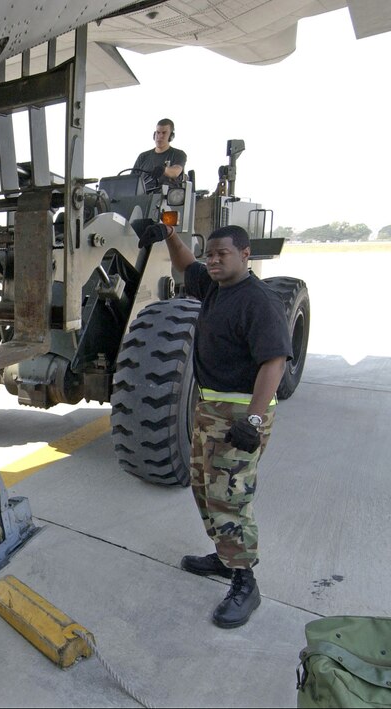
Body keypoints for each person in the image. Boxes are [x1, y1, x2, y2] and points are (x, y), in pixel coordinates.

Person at [137, 221, 291, 628]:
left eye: (223, 253)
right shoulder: (214, 287)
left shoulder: (259, 301)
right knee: (205, 489)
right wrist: (167, 235)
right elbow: (186, 267)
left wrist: (253, 421)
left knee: (230, 498)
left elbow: (274, 361)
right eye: (211, 253)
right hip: (209, 409)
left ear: (245, 255)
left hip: (241, 415)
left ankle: (245, 582)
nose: (214, 260)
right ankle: (226, 557)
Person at [132, 119, 187, 193]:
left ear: (171, 136)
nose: (160, 136)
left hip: (166, 198)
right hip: (143, 198)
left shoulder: (178, 154)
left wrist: (164, 170)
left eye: (164, 133)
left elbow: (176, 171)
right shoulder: (143, 156)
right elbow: (132, 180)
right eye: (158, 133)